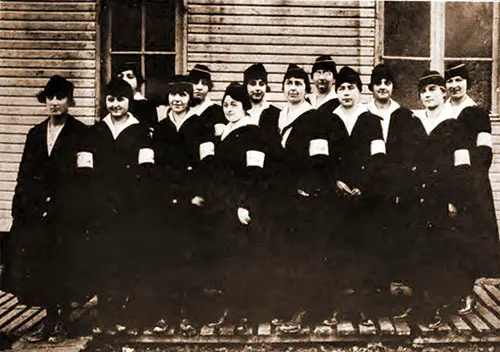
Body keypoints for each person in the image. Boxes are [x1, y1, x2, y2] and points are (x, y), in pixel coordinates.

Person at [6, 75, 88, 342]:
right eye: (50, 97)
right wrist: (23, 205)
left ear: (69, 101)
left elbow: (84, 177)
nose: (55, 103)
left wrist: (63, 203)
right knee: (42, 266)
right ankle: (49, 319)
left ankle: (64, 320)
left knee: (65, 266)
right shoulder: (36, 133)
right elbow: (25, 174)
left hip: (67, 213)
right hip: (38, 213)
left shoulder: (81, 133)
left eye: (60, 97)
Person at [79, 78, 154, 336]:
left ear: (129, 101)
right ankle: (105, 317)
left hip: (130, 211)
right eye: (110, 99)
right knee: (104, 262)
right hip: (101, 210)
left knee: (129, 262)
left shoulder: (140, 131)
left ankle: (128, 317)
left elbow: (146, 173)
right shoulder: (95, 132)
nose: (115, 104)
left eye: (120, 99)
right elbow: (85, 172)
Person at [318, 66, 386, 328]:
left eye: (351, 88)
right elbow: (319, 158)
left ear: (360, 92)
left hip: (363, 200)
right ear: (336, 91)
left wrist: (362, 187)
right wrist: (335, 182)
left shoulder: (371, 120)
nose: (346, 93)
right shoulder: (326, 120)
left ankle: (363, 309)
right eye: (342, 88)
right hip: (334, 199)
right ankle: (334, 309)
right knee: (335, 252)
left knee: (363, 253)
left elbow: (378, 159)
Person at [152, 75, 216, 336]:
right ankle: (166, 315)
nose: (177, 100)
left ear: (191, 98)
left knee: (191, 257)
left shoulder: (200, 125)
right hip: (168, 203)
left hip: (192, 204)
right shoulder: (162, 128)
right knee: (166, 257)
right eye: (173, 95)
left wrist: (200, 194)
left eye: (182, 95)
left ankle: (190, 315)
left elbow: (209, 164)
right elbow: (153, 167)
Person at [268, 64, 330, 333]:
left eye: (298, 83)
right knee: (285, 253)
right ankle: (287, 306)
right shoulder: (279, 116)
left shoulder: (314, 118)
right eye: (289, 83)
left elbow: (320, 159)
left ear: (307, 89)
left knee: (306, 253)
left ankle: (306, 312)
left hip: (304, 198)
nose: (293, 88)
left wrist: (308, 188)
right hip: (282, 197)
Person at [409, 70, 473, 328]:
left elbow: (462, 167)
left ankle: (435, 308)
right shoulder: (414, 122)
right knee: (418, 249)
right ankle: (418, 304)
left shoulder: (454, 125)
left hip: (441, 198)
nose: (428, 95)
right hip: (417, 197)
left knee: (440, 252)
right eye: (424, 91)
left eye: (433, 90)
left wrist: (455, 201)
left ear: (443, 93)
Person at [208, 83, 270, 335]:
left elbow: (254, 173)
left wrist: (245, 204)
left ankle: (248, 314)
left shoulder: (251, 132)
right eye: (225, 104)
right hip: (225, 204)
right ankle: (232, 310)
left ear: (245, 106)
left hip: (242, 206)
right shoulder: (225, 131)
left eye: (234, 104)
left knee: (246, 259)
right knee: (229, 259)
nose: (228, 109)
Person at [444, 62, 499, 314]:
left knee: (467, 239)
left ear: (467, 83)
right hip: (443, 182)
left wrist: (467, 188)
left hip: (470, 186)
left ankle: (466, 293)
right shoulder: (442, 111)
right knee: (445, 239)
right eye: (451, 81)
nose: (455, 86)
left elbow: (484, 153)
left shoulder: (477, 113)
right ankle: (445, 291)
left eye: (459, 81)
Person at [365, 63, 415, 318]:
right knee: (373, 239)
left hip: (396, 190)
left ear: (392, 87)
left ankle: (397, 298)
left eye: (387, 83)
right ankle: (375, 296)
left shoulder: (404, 116)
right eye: (378, 83)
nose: (382, 87)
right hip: (371, 190)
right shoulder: (364, 115)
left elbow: (407, 157)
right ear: (371, 87)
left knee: (396, 239)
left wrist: (399, 185)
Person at [188, 64, 226, 137]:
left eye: (204, 83)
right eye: (195, 82)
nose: (199, 87)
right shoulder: (182, 110)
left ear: (209, 87)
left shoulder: (218, 112)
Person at [116, 63, 158, 127]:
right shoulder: (113, 103)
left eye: (130, 77)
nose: (124, 80)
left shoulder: (147, 105)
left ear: (138, 81)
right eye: (121, 77)